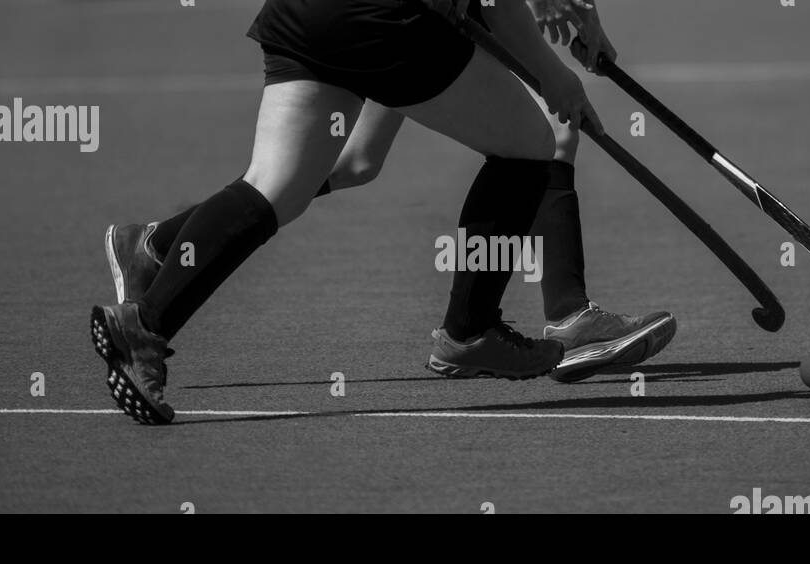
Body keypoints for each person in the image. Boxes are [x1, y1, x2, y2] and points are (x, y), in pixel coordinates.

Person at [91, 0, 646, 425]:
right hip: (386, 22)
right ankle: (470, 333)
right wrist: (552, 74)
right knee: (529, 145)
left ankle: (145, 322)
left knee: (278, 186)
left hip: (310, 15)